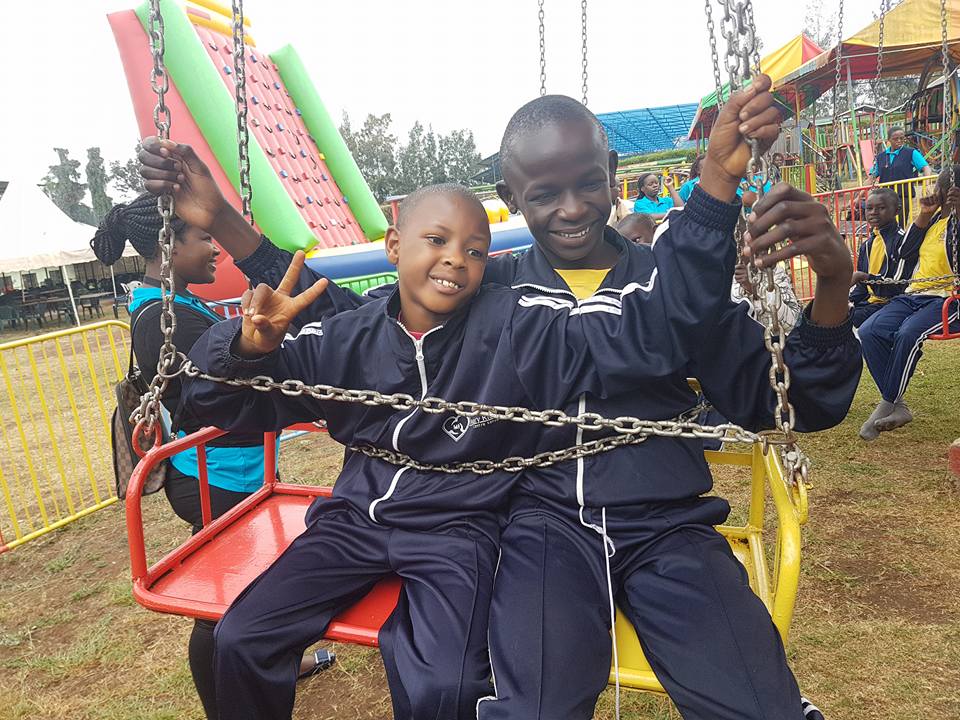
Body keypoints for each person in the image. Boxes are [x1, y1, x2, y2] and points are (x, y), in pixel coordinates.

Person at [139, 74, 854, 720]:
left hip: (666, 523)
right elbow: (357, 321)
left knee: (760, 707)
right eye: (543, 194)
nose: (571, 209)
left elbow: (794, 403)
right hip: (540, 526)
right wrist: (228, 225)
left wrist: (830, 287)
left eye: (587, 185)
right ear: (513, 201)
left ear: (612, 176)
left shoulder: (675, 288)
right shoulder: (491, 285)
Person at [178, 174, 752, 719]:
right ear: (394, 246)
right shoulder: (347, 337)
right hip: (353, 519)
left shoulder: (513, 325)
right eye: (437, 240)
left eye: (475, 251)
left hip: (458, 526)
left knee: (446, 683)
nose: (456, 257)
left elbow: (638, 330)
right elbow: (218, 401)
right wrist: (249, 350)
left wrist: (709, 202)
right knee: (240, 635)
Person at [90, 195, 332, 720]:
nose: (215, 249)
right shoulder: (161, 317)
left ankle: (281, 662)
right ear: (167, 246)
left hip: (236, 466)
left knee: (259, 577)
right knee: (223, 597)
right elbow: (214, 391)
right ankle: (221, 705)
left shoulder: (181, 306)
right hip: (209, 476)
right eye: (202, 238)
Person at [857, 168, 960, 441]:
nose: (939, 193)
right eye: (939, 188)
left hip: (948, 299)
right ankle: (898, 406)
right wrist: (924, 215)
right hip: (915, 294)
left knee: (907, 334)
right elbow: (904, 252)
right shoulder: (933, 221)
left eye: (944, 188)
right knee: (869, 330)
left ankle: (888, 402)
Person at [849, 187, 914, 328]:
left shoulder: (902, 242)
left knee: (843, 323)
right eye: (869, 208)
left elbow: (899, 287)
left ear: (897, 210)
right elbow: (862, 287)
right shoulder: (867, 245)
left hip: (893, 303)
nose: (873, 213)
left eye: (881, 208)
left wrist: (864, 277)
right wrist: (847, 300)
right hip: (869, 303)